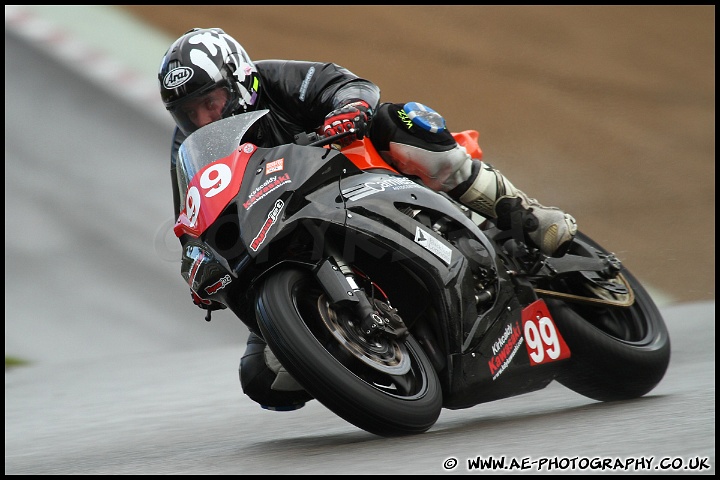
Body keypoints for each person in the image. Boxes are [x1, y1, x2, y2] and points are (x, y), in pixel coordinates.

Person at [158, 27, 577, 411]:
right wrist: (202, 263)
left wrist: (348, 110)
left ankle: (526, 214)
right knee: (263, 378)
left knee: (403, 120)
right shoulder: (190, 146)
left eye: (210, 103)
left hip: (354, 178)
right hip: (283, 239)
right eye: (189, 113)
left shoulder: (275, 79)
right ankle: (360, 353)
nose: (203, 120)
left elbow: (351, 85)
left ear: (240, 80)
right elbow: (195, 215)